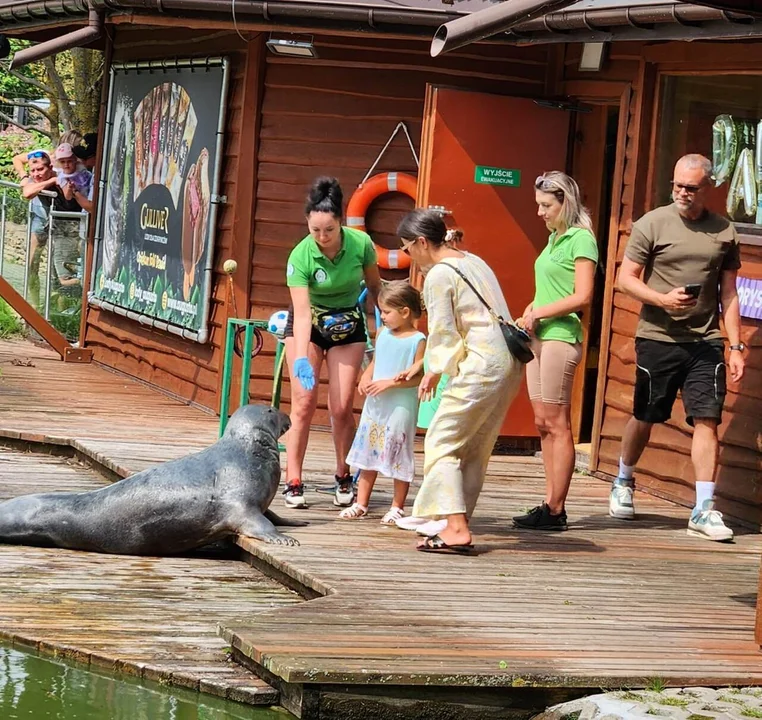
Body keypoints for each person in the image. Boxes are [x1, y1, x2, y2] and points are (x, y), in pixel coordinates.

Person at [610, 153, 745, 542]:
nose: (682, 193)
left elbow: (730, 293)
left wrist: (735, 345)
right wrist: (662, 299)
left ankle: (703, 508)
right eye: (677, 185)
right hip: (658, 336)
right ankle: (624, 479)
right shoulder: (652, 223)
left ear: (708, 188)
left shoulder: (723, 230)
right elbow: (626, 279)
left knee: (707, 417)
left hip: (706, 340)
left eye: (691, 187)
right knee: (647, 414)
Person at [397, 210, 523, 553]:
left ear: (422, 243)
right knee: (474, 446)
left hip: (481, 364)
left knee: (442, 440)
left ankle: (454, 527)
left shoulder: (438, 274)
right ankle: (453, 520)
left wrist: (434, 370)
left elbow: (443, 330)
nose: (409, 257)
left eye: (408, 249)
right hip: (508, 364)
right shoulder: (473, 260)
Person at [283, 177, 382, 509]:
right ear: (308, 225)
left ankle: (343, 474)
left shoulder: (361, 244)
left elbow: (376, 289)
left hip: (347, 325)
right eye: (315, 230)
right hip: (308, 324)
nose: (322, 237)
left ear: (341, 222)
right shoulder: (301, 256)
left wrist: (387, 329)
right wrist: (300, 357)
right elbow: (300, 310)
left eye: (329, 230)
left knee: (340, 407)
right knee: (303, 403)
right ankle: (293, 479)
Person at [512, 172, 598, 531]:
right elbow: (551, 289)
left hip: (562, 336)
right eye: (539, 205)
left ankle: (556, 507)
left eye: (547, 206)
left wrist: (539, 312)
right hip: (539, 335)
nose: (541, 212)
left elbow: (582, 296)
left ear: (566, 202)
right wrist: (530, 310)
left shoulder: (581, 239)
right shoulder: (554, 239)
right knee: (541, 422)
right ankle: (548, 502)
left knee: (557, 421)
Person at [340, 281, 426, 524]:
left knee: (398, 448)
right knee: (370, 449)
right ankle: (361, 503)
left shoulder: (418, 340)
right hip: (376, 404)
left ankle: (397, 506)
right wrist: (365, 377)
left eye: (387, 312)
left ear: (405, 312)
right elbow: (377, 362)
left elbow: (416, 377)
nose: (383, 317)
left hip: (400, 406)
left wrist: (389, 384)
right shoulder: (384, 334)